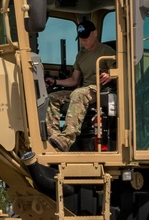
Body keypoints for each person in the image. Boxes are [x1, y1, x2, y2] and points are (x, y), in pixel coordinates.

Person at [45, 19, 116, 151]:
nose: (84, 41)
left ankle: (67, 139)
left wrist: (110, 74)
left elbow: (120, 70)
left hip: (99, 89)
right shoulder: (80, 56)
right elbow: (74, 80)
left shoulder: (107, 51)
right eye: (81, 38)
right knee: (52, 97)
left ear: (95, 33)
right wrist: (55, 82)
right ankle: (53, 136)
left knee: (78, 94)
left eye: (86, 37)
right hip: (85, 89)